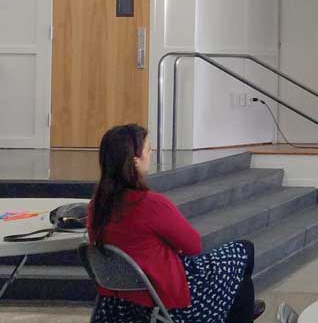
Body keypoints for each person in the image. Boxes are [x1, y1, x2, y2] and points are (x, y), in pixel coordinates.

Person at [87, 124, 264, 323]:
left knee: (240, 284)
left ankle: (241, 311)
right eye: (148, 149)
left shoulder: (96, 206)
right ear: (135, 161)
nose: (152, 153)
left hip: (119, 303)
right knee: (243, 253)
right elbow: (193, 245)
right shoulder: (149, 203)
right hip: (165, 301)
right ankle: (239, 312)